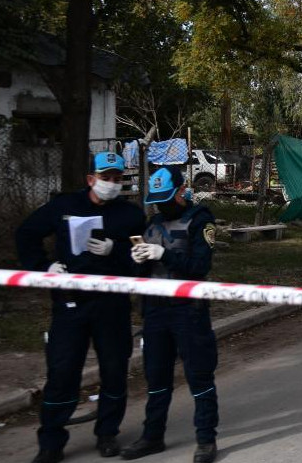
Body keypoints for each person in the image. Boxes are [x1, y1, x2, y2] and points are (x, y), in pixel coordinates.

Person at [16, 152, 146, 463]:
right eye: (105, 178)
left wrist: (117, 252)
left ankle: (107, 433)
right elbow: (26, 233)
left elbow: (141, 260)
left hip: (112, 303)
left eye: (117, 178)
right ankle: (51, 442)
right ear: (90, 179)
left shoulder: (129, 215)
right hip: (70, 302)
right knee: (62, 372)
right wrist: (43, 267)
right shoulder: (65, 206)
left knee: (114, 370)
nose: (111, 184)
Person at [121, 167, 219, 463]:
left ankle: (205, 440)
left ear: (181, 191)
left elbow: (200, 265)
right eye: (158, 201)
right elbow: (142, 271)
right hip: (155, 310)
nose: (163, 206)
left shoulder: (200, 219)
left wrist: (163, 254)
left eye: (167, 198)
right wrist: (138, 260)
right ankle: (152, 436)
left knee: (199, 375)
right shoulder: (152, 224)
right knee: (156, 376)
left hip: (188, 310)